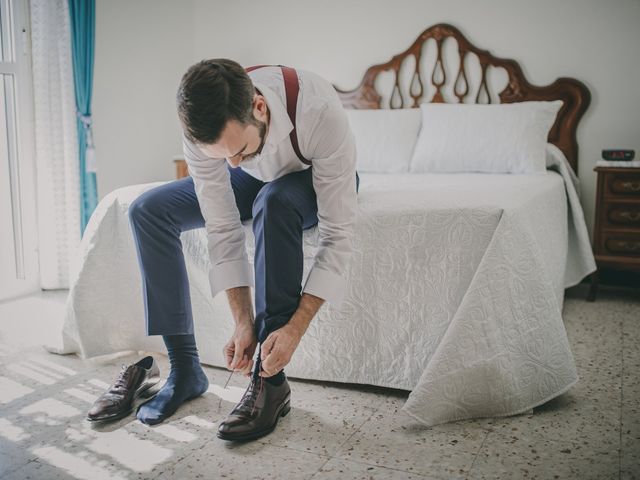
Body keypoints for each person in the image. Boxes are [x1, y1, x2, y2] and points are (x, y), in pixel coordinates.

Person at [126, 59, 360, 441]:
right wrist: (241, 321)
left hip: (310, 179)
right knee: (148, 211)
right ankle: (185, 370)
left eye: (239, 149)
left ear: (260, 107)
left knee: (273, 202)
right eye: (222, 156)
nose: (231, 163)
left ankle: (269, 383)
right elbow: (221, 224)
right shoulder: (206, 129)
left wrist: (295, 328)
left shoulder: (318, 110)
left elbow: (337, 234)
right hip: (254, 179)